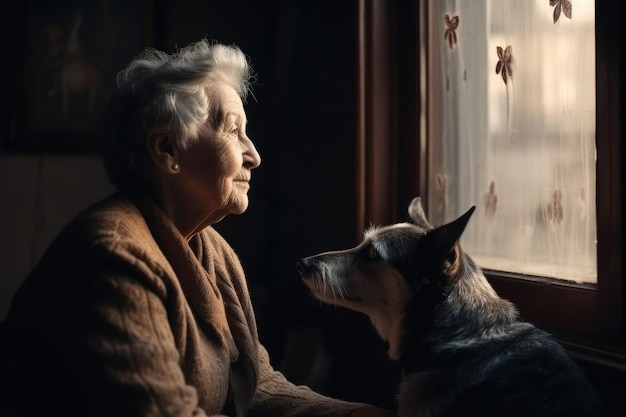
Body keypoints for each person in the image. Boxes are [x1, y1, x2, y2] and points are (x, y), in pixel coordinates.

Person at [0, 39, 394, 417]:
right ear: (168, 150)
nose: (253, 155)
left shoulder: (213, 250)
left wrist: (358, 414)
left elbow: (252, 387)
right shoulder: (115, 256)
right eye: (232, 129)